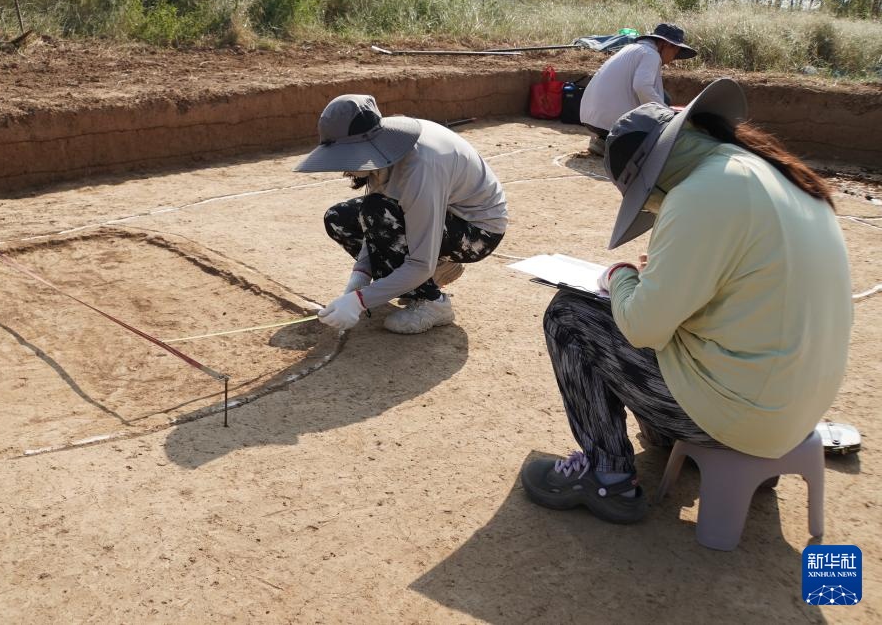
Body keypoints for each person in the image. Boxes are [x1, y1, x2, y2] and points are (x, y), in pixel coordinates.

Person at [522, 79, 853, 523]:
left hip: (742, 416)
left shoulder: (700, 192)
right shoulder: (769, 171)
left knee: (570, 314)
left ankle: (607, 476)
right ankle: (674, 437)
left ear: (651, 179)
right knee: (661, 323)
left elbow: (642, 327)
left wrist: (621, 276)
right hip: (792, 411)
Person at [295, 94, 508, 335]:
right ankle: (433, 272)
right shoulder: (382, 151)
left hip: (477, 232)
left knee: (380, 213)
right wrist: (360, 277)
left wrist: (360, 301)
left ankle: (433, 304)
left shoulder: (419, 167)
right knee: (338, 218)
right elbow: (371, 224)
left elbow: (399, 239)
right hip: (438, 216)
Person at [579, 23, 697, 156]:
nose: (672, 59)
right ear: (666, 44)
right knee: (662, 108)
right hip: (609, 122)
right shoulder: (651, 55)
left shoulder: (632, 48)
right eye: (675, 52)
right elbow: (642, 87)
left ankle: (602, 140)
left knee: (663, 97)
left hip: (590, 118)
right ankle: (612, 142)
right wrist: (666, 115)